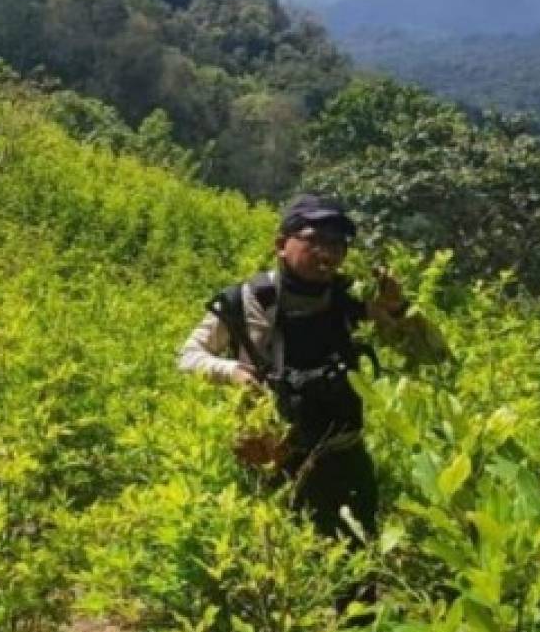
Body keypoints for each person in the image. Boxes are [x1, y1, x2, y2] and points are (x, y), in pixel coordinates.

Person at [178, 193, 447, 542]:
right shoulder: (248, 300)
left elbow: (433, 356)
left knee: (356, 567)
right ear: (280, 244)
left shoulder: (354, 299)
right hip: (271, 457)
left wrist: (397, 309)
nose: (328, 252)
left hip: (344, 456)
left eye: (338, 243)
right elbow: (188, 356)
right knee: (275, 561)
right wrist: (233, 373)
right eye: (314, 240)